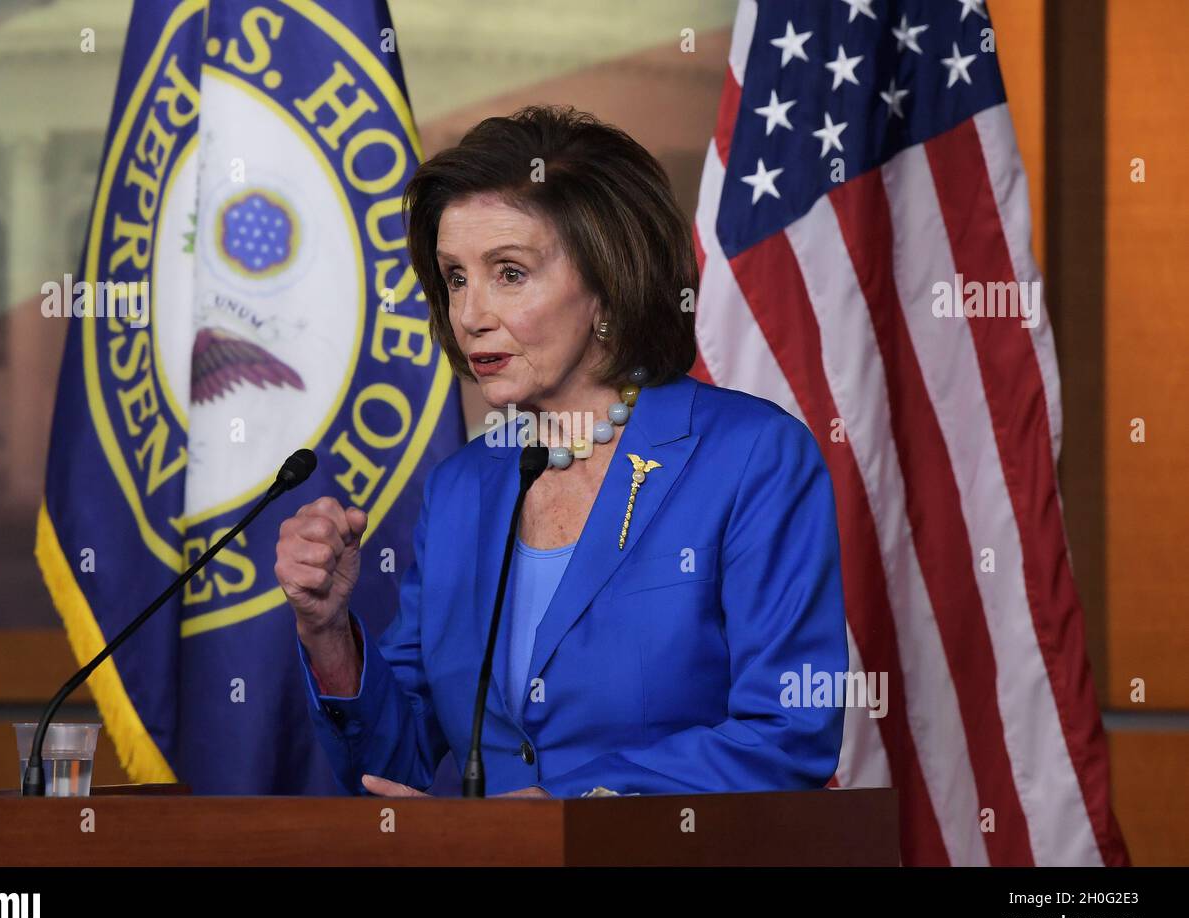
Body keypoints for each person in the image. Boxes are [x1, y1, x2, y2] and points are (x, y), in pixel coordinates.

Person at [274, 105, 847, 798]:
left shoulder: (751, 459)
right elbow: (395, 768)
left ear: (608, 284)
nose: (470, 313)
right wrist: (328, 632)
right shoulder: (462, 488)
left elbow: (787, 735)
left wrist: (567, 813)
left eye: (508, 273)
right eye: (455, 277)